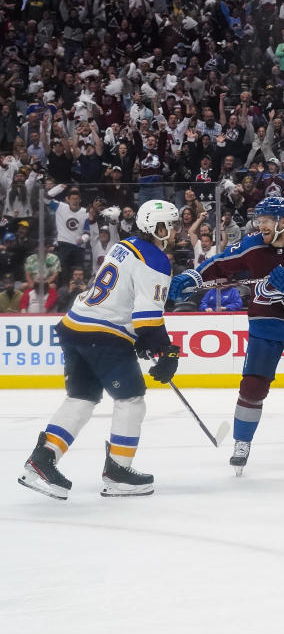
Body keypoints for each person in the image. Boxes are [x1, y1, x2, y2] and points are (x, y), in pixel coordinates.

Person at [167, 197, 284, 476]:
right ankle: (241, 443)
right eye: (259, 219)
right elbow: (219, 263)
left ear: (283, 222)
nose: (259, 224)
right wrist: (193, 277)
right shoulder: (251, 245)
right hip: (265, 326)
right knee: (252, 386)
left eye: (265, 220)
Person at [17, 200, 182, 500]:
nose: (174, 230)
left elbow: (127, 299)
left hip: (74, 325)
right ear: (157, 227)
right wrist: (166, 350)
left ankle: (41, 461)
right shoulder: (156, 259)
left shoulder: (126, 245)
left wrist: (144, 339)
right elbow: (147, 318)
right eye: (170, 224)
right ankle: (118, 472)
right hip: (103, 334)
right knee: (131, 399)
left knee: (82, 398)